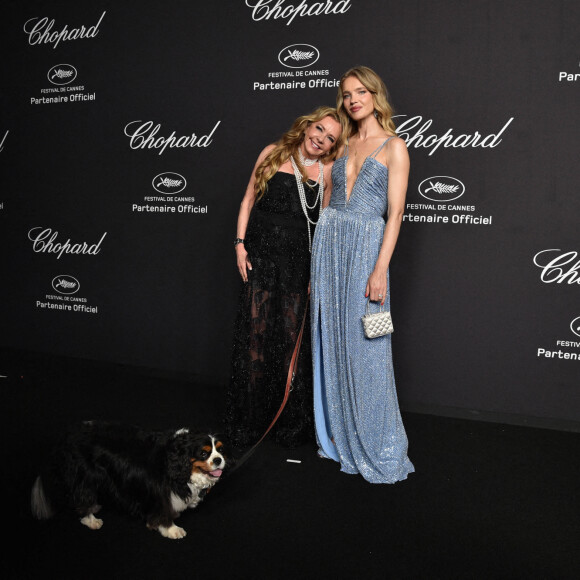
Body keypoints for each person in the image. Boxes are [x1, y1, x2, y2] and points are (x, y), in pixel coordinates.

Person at [310, 66, 415, 483]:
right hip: (330, 246)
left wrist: (380, 269)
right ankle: (338, 435)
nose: (353, 99)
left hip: (366, 251)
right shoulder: (342, 143)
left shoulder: (394, 146)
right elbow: (328, 201)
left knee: (366, 346)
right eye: (346, 94)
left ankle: (376, 439)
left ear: (374, 95)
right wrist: (317, 257)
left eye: (360, 92)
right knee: (333, 339)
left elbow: (396, 214)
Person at [225, 106, 343, 448]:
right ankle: (248, 421)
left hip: (297, 265)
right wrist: (239, 246)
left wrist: (316, 272)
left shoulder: (328, 171)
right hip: (260, 260)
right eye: (319, 129)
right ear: (308, 125)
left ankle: (286, 423)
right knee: (255, 339)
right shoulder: (272, 153)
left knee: (290, 341)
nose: (321, 139)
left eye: (330, 138)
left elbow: (322, 228)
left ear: (334, 146)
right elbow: (248, 200)